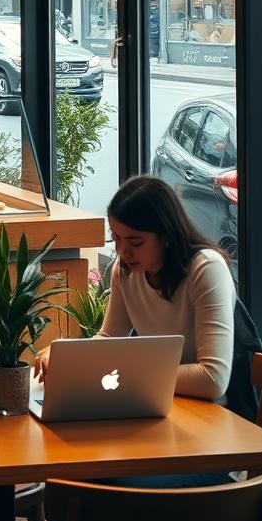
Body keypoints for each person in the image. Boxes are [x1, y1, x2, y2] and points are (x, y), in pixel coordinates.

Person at [34, 175, 235, 489]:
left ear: (166, 234)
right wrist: (64, 354)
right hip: (152, 418)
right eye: (117, 239)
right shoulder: (126, 271)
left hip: (206, 433)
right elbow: (110, 339)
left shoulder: (205, 269)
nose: (123, 251)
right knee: (62, 479)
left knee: (114, 491)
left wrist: (130, 378)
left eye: (135, 241)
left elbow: (213, 379)